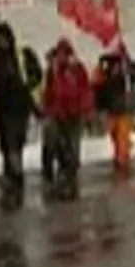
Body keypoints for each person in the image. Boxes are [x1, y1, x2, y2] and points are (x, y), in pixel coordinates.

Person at [0, 22, 42, 211]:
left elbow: (37, 73)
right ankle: (12, 173)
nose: (0, 42)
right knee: (7, 142)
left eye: (2, 38)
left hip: (20, 106)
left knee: (15, 141)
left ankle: (15, 176)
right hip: (3, 108)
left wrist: (26, 86)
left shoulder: (22, 55)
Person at [40, 39, 92, 201]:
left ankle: (69, 178)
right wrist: (47, 110)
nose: (61, 57)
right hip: (58, 114)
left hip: (74, 114)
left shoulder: (76, 70)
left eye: (64, 54)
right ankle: (61, 178)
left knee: (72, 148)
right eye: (59, 54)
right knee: (57, 147)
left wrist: (85, 111)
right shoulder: (52, 71)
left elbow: (85, 91)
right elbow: (48, 92)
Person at [92, 52, 133, 176]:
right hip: (112, 112)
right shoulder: (105, 77)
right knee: (116, 138)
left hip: (122, 112)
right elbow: (95, 85)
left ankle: (122, 162)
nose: (116, 67)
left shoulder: (123, 76)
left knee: (122, 139)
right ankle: (121, 160)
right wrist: (99, 66)